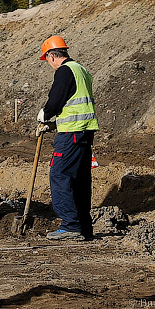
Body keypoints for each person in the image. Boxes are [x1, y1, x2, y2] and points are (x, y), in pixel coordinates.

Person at [36, 35, 99, 241]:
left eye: (48, 61)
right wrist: (54, 124)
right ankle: (83, 227)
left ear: (52, 56)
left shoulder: (64, 71)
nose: (49, 65)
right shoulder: (81, 70)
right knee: (80, 179)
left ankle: (70, 226)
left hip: (71, 134)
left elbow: (57, 100)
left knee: (60, 174)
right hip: (84, 132)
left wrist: (45, 114)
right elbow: (75, 103)